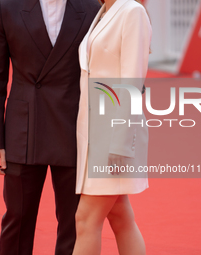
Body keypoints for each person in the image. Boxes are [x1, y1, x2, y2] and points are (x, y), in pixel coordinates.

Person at [0, 0, 100, 254]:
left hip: (74, 130)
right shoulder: (8, 6)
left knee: (73, 224)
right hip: (23, 130)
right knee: (17, 219)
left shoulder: (90, 7)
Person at [73, 0, 152, 254]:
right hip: (94, 135)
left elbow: (133, 81)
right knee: (121, 219)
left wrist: (121, 143)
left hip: (114, 137)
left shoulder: (132, 11)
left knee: (85, 220)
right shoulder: (103, 11)